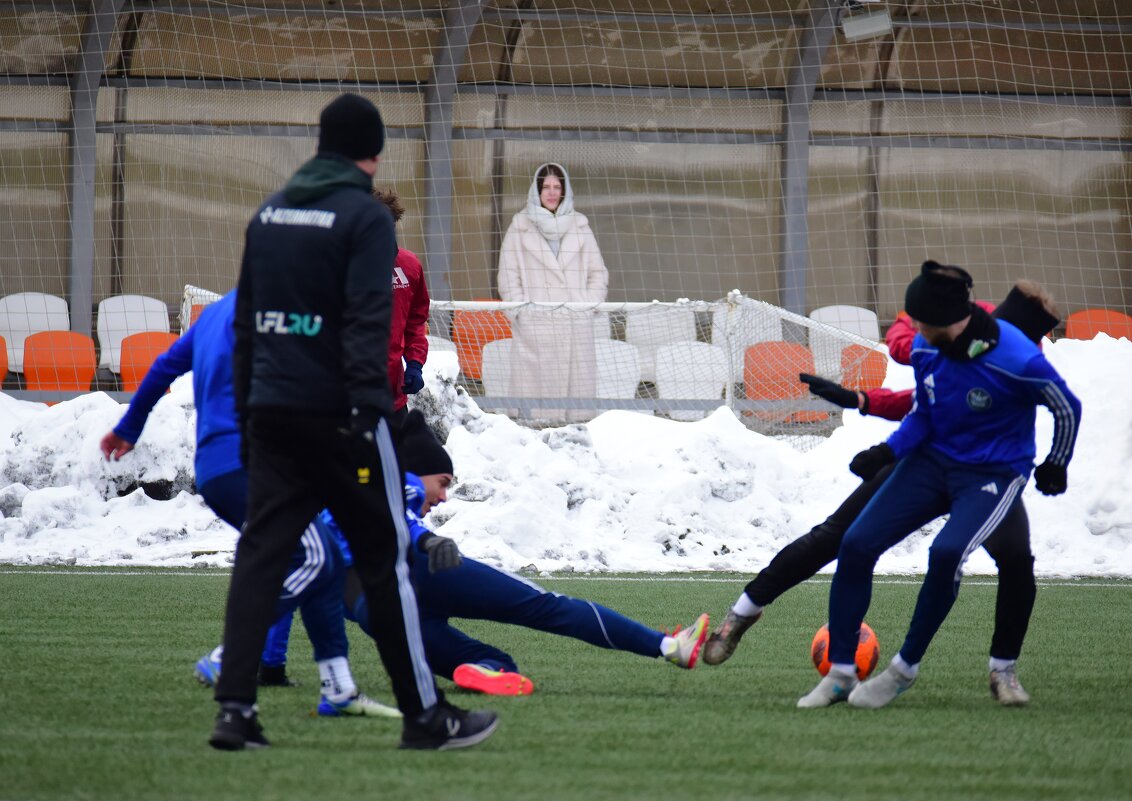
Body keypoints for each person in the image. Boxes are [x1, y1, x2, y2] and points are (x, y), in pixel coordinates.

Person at [217, 92, 496, 750]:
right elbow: (371, 330)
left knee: (261, 557)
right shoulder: (366, 219)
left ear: (321, 144)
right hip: (343, 420)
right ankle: (426, 717)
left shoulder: (270, 213)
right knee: (384, 562)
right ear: (372, 154)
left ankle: (234, 710)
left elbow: (247, 327)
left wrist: (247, 415)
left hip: (270, 415)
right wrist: (377, 422)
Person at [704, 276, 1056, 706]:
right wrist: (873, 382)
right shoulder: (962, 318)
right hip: (922, 459)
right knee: (839, 536)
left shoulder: (1024, 358)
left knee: (1017, 560)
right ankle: (740, 615)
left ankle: (1003, 671)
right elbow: (912, 359)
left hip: (984, 474)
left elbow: (961, 396)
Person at [247, 410, 711, 695]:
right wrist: (427, 540)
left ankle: (486, 670)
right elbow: (392, 519)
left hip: (370, 612)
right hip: (422, 571)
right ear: (413, 471)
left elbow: (289, 574)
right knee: (549, 608)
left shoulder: (323, 496)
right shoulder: (398, 481)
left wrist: (269, 663)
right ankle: (670, 647)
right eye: (443, 483)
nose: (444, 496)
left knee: (499, 666)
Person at [99, 290, 399, 718]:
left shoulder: (219, 310)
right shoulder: (287, 312)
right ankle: (232, 655)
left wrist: (129, 426)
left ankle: (338, 686)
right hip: (253, 464)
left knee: (324, 558)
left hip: (218, 468)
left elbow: (166, 365)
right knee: (314, 558)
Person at [796, 263, 1081, 709]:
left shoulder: (1018, 359)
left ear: (954, 318)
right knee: (855, 543)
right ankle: (841, 672)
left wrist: (1056, 464)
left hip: (992, 474)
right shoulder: (928, 348)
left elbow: (1068, 408)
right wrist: (887, 452)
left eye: (925, 323)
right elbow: (925, 416)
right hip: (932, 462)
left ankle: (904, 669)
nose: (919, 333)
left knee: (952, 553)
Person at [497, 162, 609, 422]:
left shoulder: (580, 225)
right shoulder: (520, 226)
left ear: (564, 191)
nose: (550, 192)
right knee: (533, 412)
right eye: (545, 187)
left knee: (574, 413)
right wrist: (522, 314)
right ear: (536, 191)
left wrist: (585, 306)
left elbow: (598, 273)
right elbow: (508, 276)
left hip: (574, 324)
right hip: (536, 326)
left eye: (556, 187)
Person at [376, 187, 431, 428]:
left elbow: (415, 322)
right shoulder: (341, 268)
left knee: (397, 464)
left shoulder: (409, 267)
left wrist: (415, 364)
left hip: (393, 400)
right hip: (346, 400)